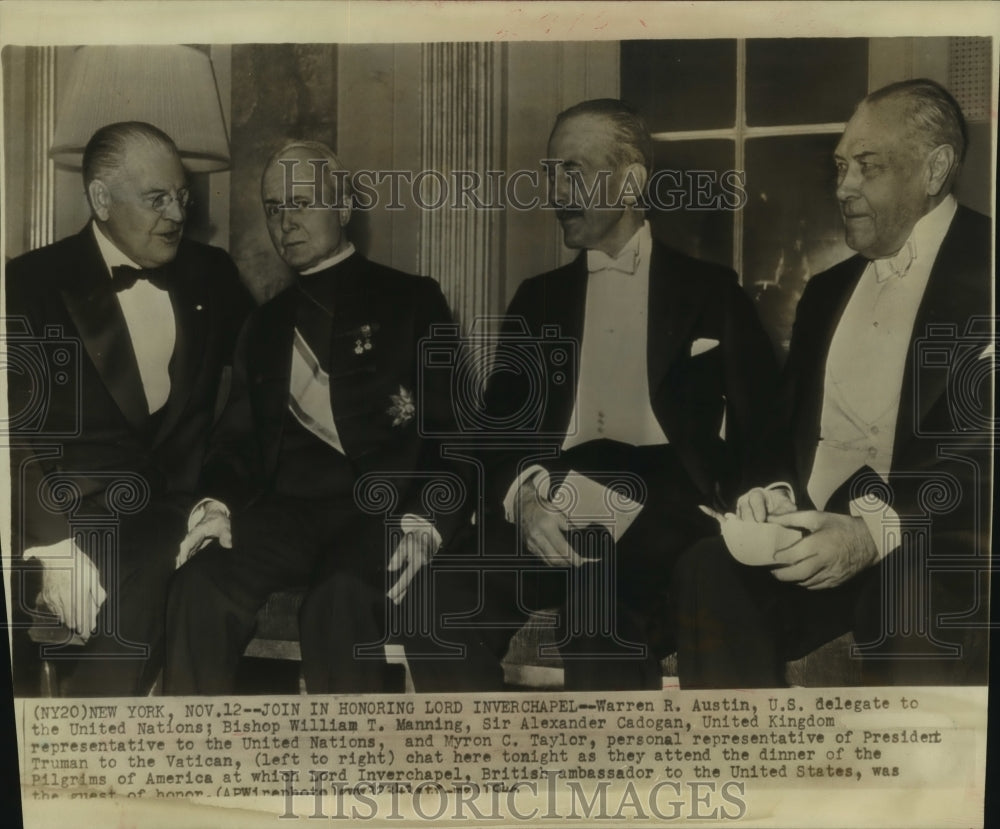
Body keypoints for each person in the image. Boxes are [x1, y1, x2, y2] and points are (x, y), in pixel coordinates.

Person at [406, 99, 779, 692]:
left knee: (596, 615)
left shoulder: (711, 291)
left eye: (571, 170)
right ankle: (487, 777)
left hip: (661, 502)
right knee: (434, 607)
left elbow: (766, 426)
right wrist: (524, 500)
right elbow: (496, 434)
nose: (554, 189)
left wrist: (746, 506)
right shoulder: (537, 298)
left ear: (631, 181)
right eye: (549, 171)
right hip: (551, 491)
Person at [674, 79, 992, 687]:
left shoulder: (994, 266)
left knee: (910, 600)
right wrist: (769, 491)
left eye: (867, 167)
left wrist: (874, 533)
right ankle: (740, 774)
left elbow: (986, 454)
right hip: (815, 534)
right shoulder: (825, 293)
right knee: (706, 570)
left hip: (933, 541)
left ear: (936, 169)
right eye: (841, 166)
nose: (843, 187)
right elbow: (781, 431)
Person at [163, 140, 469, 694]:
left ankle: (356, 779)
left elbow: (452, 435)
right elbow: (234, 443)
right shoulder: (264, 325)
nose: (286, 221)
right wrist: (217, 505)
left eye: (302, 202)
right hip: (287, 516)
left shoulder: (412, 300)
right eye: (275, 208)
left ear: (345, 206)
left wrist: (429, 519)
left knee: (337, 600)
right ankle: (197, 773)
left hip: (379, 511)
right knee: (199, 584)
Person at [5, 121, 250, 696]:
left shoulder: (211, 274)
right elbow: (9, 425)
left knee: (172, 590)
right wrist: (52, 542)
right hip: (72, 513)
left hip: (174, 511)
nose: (176, 214)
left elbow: (259, 392)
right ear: (100, 199)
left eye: (182, 198)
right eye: (156, 198)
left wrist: (223, 496)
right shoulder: (29, 281)